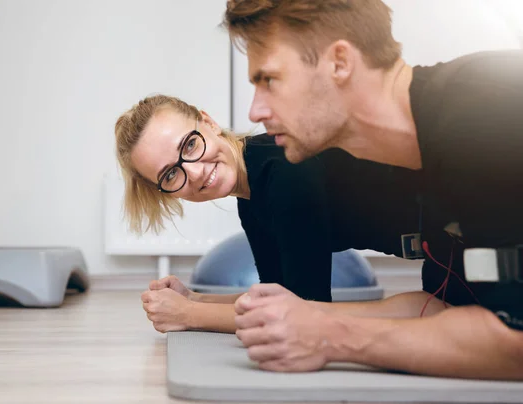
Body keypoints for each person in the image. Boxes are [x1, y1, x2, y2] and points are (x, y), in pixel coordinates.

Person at [222, 0, 523, 380]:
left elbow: (515, 340)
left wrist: (331, 336)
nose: (255, 112)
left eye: (269, 81)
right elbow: (445, 309)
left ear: (339, 63)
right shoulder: (427, 162)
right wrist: (308, 316)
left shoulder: (484, 111)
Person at [114, 94, 425, 335]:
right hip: (438, 250)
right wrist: (195, 299)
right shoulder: (251, 200)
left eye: (191, 144)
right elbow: (279, 297)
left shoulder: (283, 168)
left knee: (430, 311)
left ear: (207, 122)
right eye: (170, 175)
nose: (193, 173)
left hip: (458, 229)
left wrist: (187, 315)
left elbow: (302, 313)